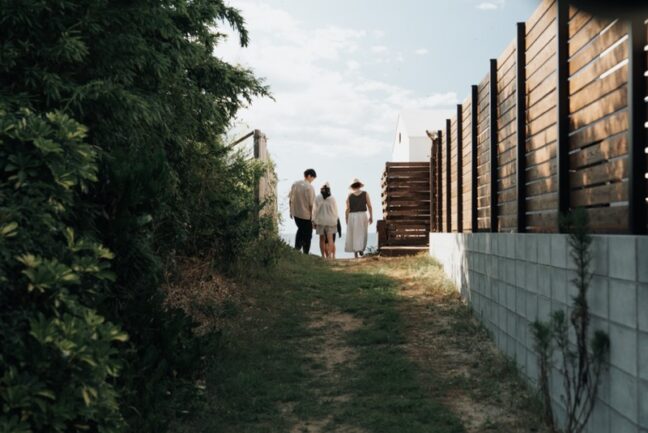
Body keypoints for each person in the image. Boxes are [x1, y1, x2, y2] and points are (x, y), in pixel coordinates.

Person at [289, 169, 317, 254]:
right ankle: (305, 252)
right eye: (313, 178)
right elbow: (311, 204)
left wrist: (291, 211)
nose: (312, 180)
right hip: (306, 215)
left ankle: (297, 250)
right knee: (308, 235)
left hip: (296, 214)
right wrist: (313, 218)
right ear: (309, 176)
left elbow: (290, 199)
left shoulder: (295, 184)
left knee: (301, 231)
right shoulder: (309, 187)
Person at [345, 178, 373, 258]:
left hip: (352, 216)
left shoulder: (349, 195)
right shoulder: (365, 193)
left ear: (352, 186)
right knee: (363, 232)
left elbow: (347, 208)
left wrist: (346, 218)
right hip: (362, 215)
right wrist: (371, 216)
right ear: (359, 185)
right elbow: (369, 206)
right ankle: (361, 248)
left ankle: (355, 254)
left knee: (354, 234)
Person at [312, 182, 339, 259]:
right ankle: (329, 256)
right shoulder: (332, 198)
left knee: (321, 239)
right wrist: (336, 220)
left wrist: (313, 220)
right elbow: (335, 211)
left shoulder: (317, 198)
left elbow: (314, 211)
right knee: (330, 239)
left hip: (320, 221)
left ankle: (323, 256)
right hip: (331, 221)